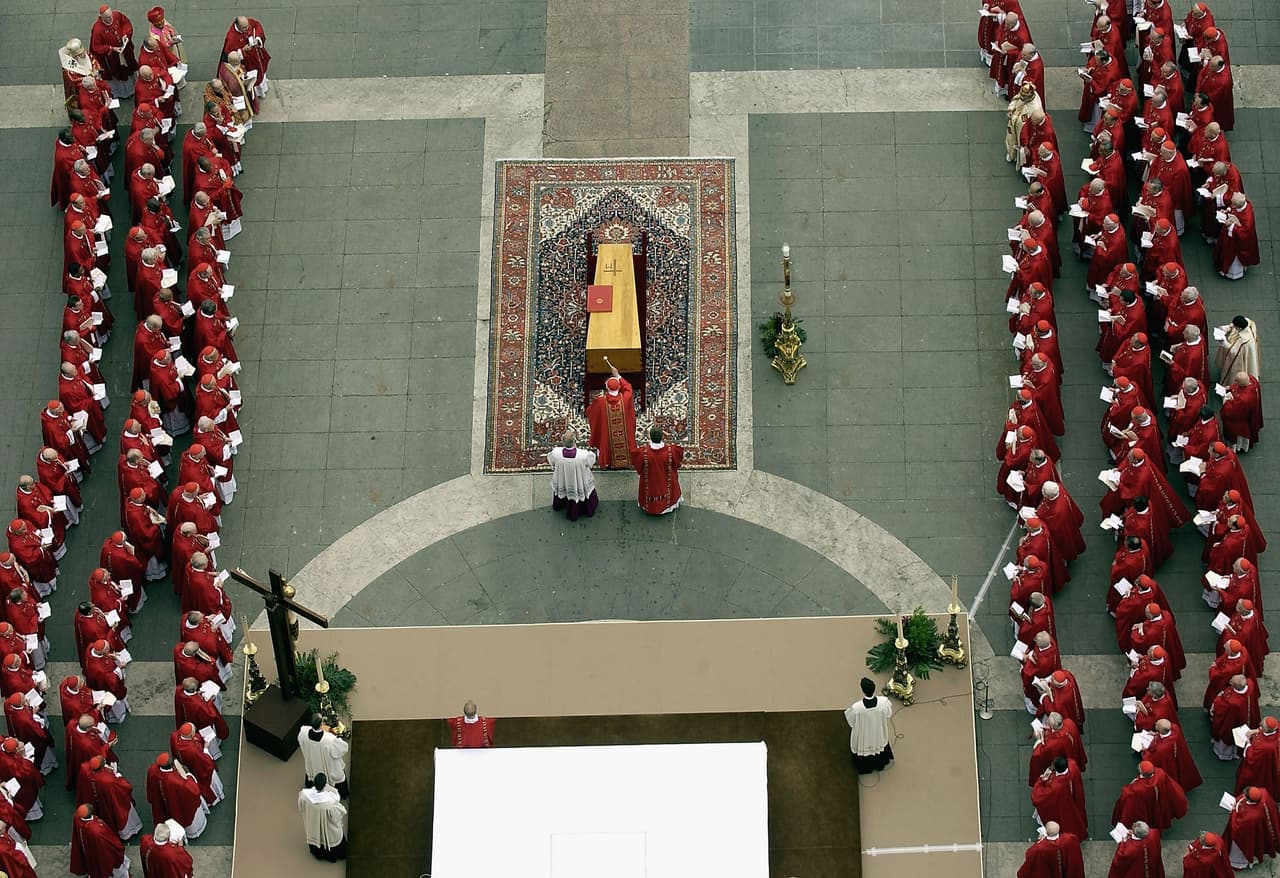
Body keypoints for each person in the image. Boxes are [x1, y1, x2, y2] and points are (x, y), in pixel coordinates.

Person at [75, 756, 143, 840]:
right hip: (113, 801)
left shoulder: (85, 769)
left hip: (95, 798)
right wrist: (118, 775)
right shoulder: (108, 780)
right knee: (118, 813)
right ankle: (128, 833)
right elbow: (126, 787)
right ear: (100, 767)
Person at [585, 363, 637, 469]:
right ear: (619, 387)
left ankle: (609, 462)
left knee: (606, 438)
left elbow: (590, 412)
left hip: (608, 437)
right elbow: (628, 388)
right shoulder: (625, 399)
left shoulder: (600, 402)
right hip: (624, 436)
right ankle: (626, 461)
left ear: (607, 388)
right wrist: (617, 375)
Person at [1111, 760, 1188, 830]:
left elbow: (1126, 794)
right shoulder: (1160, 773)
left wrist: (1133, 784)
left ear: (1142, 773)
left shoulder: (1137, 788)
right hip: (1158, 801)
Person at [145, 753, 206, 839]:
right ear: (172, 766)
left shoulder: (152, 770)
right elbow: (193, 791)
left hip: (160, 801)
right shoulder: (175, 781)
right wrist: (188, 776)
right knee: (178, 814)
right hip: (177, 804)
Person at [843, 677, 893, 774]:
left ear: (863, 690)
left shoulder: (857, 707)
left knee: (862, 745)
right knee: (879, 742)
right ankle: (879, 764)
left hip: (863, 735)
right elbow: (888, 714)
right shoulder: (883, 702)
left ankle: (865, 768)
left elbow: (851, 722)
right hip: (878, 732)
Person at [1031, 756, 1088, 839]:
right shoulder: (1072, 765)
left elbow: (1037, 797)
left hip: (1058, 803)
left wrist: (1041, 780)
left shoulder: (1056, 786)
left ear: (1056, 769)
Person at [547, 430, 598, 520]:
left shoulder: (556, 453)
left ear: (563, 441)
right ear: (575, 441)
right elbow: (591, 461)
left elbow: (551, 461)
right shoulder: (583, 454)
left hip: (563, 479)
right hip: (579, 480)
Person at [1224, 786, 1280, 868]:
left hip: (1247, 835)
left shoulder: (1250, 816)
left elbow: (1237, 827)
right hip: (1258, 828)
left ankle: (1240, 862)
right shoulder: (1263, 793)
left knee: (1247, 846)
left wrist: (1233, 812)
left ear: (1248, 799)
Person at [632, 426, 683, 515]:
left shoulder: (642, 452)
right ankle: (667, 505)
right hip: (667, 480)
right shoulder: (672, 451)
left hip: (650, 485)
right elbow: (677, 464)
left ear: (650, 437)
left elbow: (638, 468)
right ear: (662, 437)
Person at [70, 803, 130, 878]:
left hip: (89, 849)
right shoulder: (97, 831)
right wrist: (118, 849)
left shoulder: (77, 817)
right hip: (101, 853)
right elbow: (109, 846)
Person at [1142, 717, 1202, 791]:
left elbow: (1151, 758)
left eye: (1157, 724)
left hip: (1168, 762)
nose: (1156, 722)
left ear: (1160, 730)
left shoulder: (1161, 749)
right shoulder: (1175, 729)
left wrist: (1144, 751)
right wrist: (1156, 734)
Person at [1211, 674, 1261, 761]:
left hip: (1232, 721)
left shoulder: (1232, 702)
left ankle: (1226, 754)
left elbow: (1220, 706)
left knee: (1229, 735)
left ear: (1234, 686)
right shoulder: (1250, 685)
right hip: (1245, 717)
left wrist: (1218, 698)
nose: (1229, 681)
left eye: (1231, 681)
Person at [90, 7, 137, 99]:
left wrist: (125, 35)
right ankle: (122, 92)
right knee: (118, 73)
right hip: (112, 57)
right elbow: (97, 47)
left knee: (129, 67)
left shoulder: (117, 15)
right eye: (107, 18)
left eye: (111, 16)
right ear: (100, 17)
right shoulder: (97, 29)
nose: (110, 19)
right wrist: (111, 48)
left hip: (124, 51)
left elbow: (126, 24)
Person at [299, 773, 347, 862]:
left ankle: (321, 854)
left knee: (318, 837)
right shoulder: (330, 802)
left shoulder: (304, 795)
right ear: (325, 785)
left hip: (313, 827)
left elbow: (301, 807)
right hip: (329, 830)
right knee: (333, 837)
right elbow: (337, 816)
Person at [298, 714, 349, 797]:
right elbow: (342, 749)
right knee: (338, 775)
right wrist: (332, 733)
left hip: (313, 762)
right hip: (328, 765)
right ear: (321, 724)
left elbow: (302, 743)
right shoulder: (329, 739)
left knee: (312, 771)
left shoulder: (303, 732)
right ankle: (342, 794)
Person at [1214, 191, 1259, 280]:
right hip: (1231, 236)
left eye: (1233, 204)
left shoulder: (1248, 217)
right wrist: (1227, 210)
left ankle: (1233, 273)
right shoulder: (1243, 205)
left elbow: (1244, 234)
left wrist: (1231, 226)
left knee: (1232, 256)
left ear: (1238, 205)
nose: (1232, 205)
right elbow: (1234, 208)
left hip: (1237, 242)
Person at [1017, 820, 1084, 878]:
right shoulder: (1071, 839)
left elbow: (1030, 856)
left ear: (1045, 832)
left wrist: (1039, 842)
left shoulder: (1039, 848)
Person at [1237, 717, 1280, 799]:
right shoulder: (1276, 727)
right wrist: (1256, 731)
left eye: (1262, 726)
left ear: (1265, 730)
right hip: (1269, 758)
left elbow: (1251, 757)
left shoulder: (1266, 747)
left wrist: (1248, 743)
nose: (1259, 724)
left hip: (1261, 766)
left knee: (1257, 779)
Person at [1221, 371, 1263, 453]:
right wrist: (1231, 387)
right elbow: (1238, 386)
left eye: (1236, 381)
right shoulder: (1252, 380)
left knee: (1232, 426)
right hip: (1251, 413)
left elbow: (1232, 412)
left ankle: (1239, 447)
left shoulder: (1244, 399)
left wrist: (1227, 400)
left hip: (1242, 420)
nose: (1235, 382)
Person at [1216, 315, 1260, 380]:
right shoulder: (1248, 324)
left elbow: (1234, 352)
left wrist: (1224, 343)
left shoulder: (1244, 340)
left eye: (1235, 326)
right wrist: (1226, 328)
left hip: (1240, 359)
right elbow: (1233, 326)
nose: (1233, 326)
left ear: (1239, 328)